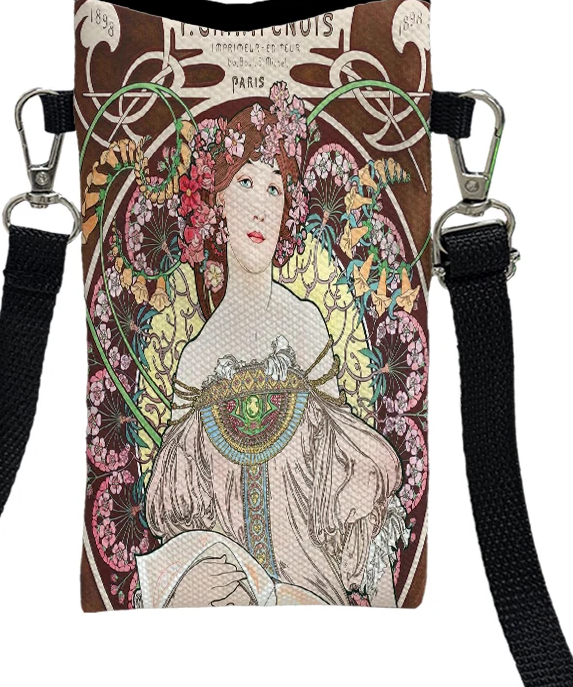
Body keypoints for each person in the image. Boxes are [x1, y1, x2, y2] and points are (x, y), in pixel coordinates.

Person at [139, 86, 407, 607]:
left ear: (289, 208)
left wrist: (393, 631)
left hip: (318, 608)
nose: (261, 208)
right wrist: (187, 585)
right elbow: (179, 526)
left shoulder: (306, 329)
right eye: (245, 182)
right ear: (217, 199)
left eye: (274, 189)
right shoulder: (195, 361)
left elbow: (354, 500)